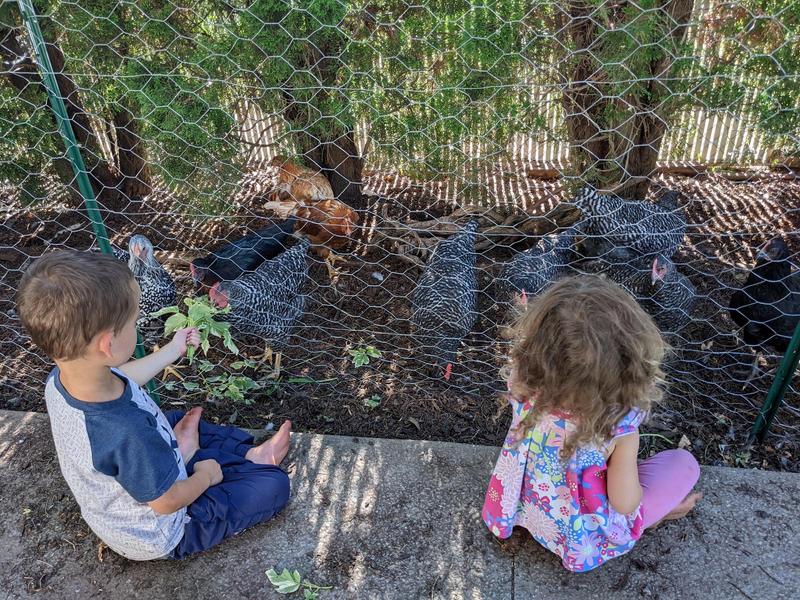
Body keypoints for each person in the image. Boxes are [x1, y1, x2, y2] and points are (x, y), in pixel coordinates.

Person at [16, 249, 292, 560]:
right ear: (108, 344)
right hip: (161, 529)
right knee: (274, 486)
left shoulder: (61, 378)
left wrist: (173, 349)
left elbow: (124, 377)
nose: (137, 326)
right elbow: (166, 502)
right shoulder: (127, 433)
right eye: (134, 322)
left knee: (172, 417)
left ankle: (224, 452)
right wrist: (205, 477)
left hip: (133, 477)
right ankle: (215, 459)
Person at [482, 275, 701, 572]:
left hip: (525, 505)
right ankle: (661, 514)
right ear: (628, 361)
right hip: (578, 531)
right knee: (684, 464)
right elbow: (624, 504)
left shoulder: (523, 384)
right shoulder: (619, 426)